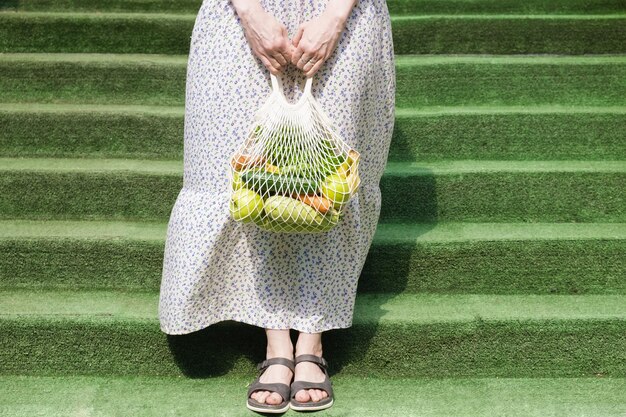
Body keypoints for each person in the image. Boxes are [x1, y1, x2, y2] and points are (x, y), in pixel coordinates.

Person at [158, 0, 395, 412]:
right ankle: (276, 340)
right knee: (246, 171)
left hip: (345, 13)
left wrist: (336, 16)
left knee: (330, 176)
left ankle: (311, 340)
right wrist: (251, 14)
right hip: (238, 14)